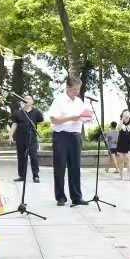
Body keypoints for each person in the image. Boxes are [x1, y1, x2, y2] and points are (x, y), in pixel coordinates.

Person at [48, 76, 93, 206]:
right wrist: (71, 118)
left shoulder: (79, 102)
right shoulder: (59, 100)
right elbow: (53, 120)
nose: (77, 92)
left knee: (75, 167)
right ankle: (60, 197)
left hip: (75, 136)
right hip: (61, 136)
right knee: (60, 167)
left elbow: (83, 117)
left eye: (78, 89)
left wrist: (87, 118)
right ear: (67, 88)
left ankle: (77, 197)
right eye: (74, 89)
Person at [11, 95, 43, 183]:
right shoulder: (18, 112)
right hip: (20, 138)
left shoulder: (37, 112)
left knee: (34, 157)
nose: (26, 100)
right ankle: (21, 176)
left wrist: (40, 134)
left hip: (32, 138)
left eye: (29, 99)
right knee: (21, 157)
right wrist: (11, 135)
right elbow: (14, 124)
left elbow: (40, 123)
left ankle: (36, 176)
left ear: (32, 101)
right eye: (25, 99)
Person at [114, 110, 130, 181]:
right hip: (121, 143)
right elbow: (118, 128)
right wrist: (122, 119)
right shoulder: (120, 123)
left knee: (128, 159)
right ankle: (121, 175)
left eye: (127, 117)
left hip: (129, 143)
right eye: (125, 117)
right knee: (121, 160)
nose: (126, 118)